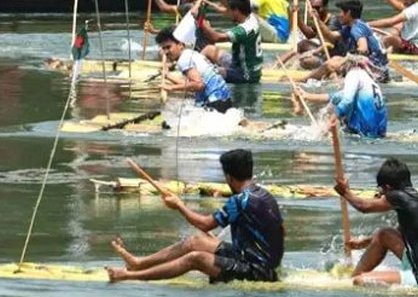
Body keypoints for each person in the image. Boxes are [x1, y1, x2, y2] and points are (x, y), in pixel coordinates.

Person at [108, 149, 284, 284]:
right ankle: (139, 263)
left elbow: (205, 224)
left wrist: (179, 206)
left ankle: (129, 276)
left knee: (195, 258)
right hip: (255, 260)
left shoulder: (240, 200)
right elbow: (282, 232)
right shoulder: (265, 195)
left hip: (256, 270)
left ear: (229, 177)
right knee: (195, 242)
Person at [333, 158, 418, 287]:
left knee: (360, 281)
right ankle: (353, 276)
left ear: (388, 188)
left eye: (381, 190)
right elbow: (401, 233)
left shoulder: (396, 196)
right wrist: (364, 242)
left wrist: (345, 192)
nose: (380, 194)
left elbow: (364, 207)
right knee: (384, 234)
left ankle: (354, 280)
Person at [297, 0, 389, 83]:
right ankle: (310, 78)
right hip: (370, 66)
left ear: (348, 13)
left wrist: (346, 59)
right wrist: (317, 21)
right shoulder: (349, 27)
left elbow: (363, 48)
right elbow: (331, 36)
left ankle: (303, 80)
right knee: (335, 59)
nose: (339, 15)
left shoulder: (357, 27)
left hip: (376, 72)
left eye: (341, 12)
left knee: (330, 64)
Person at [294, 57, 388, 138]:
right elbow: (337, 97)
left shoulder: (354, 73)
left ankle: (322, 131)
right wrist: (306, 96)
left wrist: (332, 120)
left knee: (338, 110)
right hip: (380, 130)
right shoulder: (366, 79)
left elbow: (347, 101)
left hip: (364, 130)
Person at [156, 26, 233, 113]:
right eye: (163, 48)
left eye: (168, 47)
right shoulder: (189, 54)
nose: (166, 52)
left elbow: (199, 85)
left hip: (215, 102)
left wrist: (171, 88)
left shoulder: (184, 60)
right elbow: (191, 84)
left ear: (180, 45)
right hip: (224, 99)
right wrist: (168, 76)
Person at [199, 0, 262, 84]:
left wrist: (200, 20)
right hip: (239, 64)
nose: (226, 13)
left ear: (236, 11)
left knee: (206, 72)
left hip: (245, 74)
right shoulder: (250, 17)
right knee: (209, 49)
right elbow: (224, 0)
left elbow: (215, 37)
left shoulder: (244, 30)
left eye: (228, 10)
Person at [279, 0, 344, 69]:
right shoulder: (318, 18)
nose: (314, 10)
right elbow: (309, 35)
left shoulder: (333, 20)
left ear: (325, 7)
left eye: (317, 8)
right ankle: (277, 64)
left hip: (331, 54)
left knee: (303, 48)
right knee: (302, 44)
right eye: (312, 7)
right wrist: (298, 18)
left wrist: (318, 21)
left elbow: (329, 42)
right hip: (320, 50)